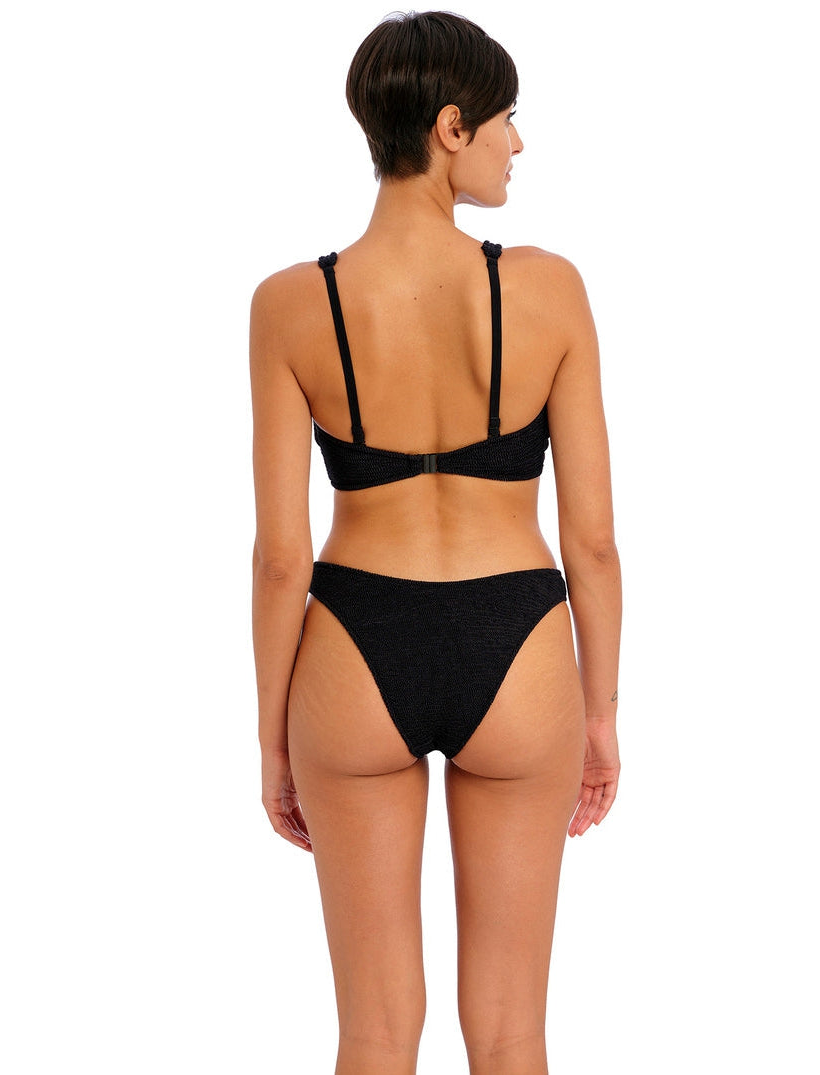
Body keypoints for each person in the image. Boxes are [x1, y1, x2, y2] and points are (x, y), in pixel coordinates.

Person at [249, 11, 621, 1073]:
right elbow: (592, 542)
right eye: (507, 120)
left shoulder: (290, 304)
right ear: (452, 128)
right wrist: (599, 714)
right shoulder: (549, 289)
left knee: (372, 1033)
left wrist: (274, 740)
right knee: (510, 1033)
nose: (518, 143)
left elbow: (280, 559)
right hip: (519, 645)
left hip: (354, 646)